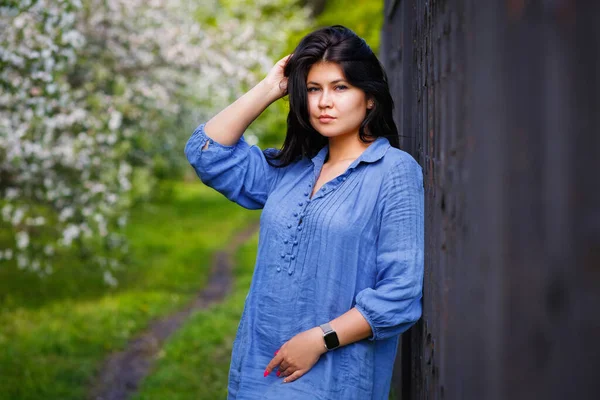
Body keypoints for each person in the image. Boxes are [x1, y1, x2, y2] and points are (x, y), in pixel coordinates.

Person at [185, 25, 424, 400]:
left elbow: (400, 295)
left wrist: (320, 339)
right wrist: (270, 87)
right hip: (257, 372)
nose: (323, 102)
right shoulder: (292, 170)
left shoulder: (394, 171)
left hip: (334, 379)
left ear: (371, 97)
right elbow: (207, 154)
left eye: (340, 87)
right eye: (314, 89)